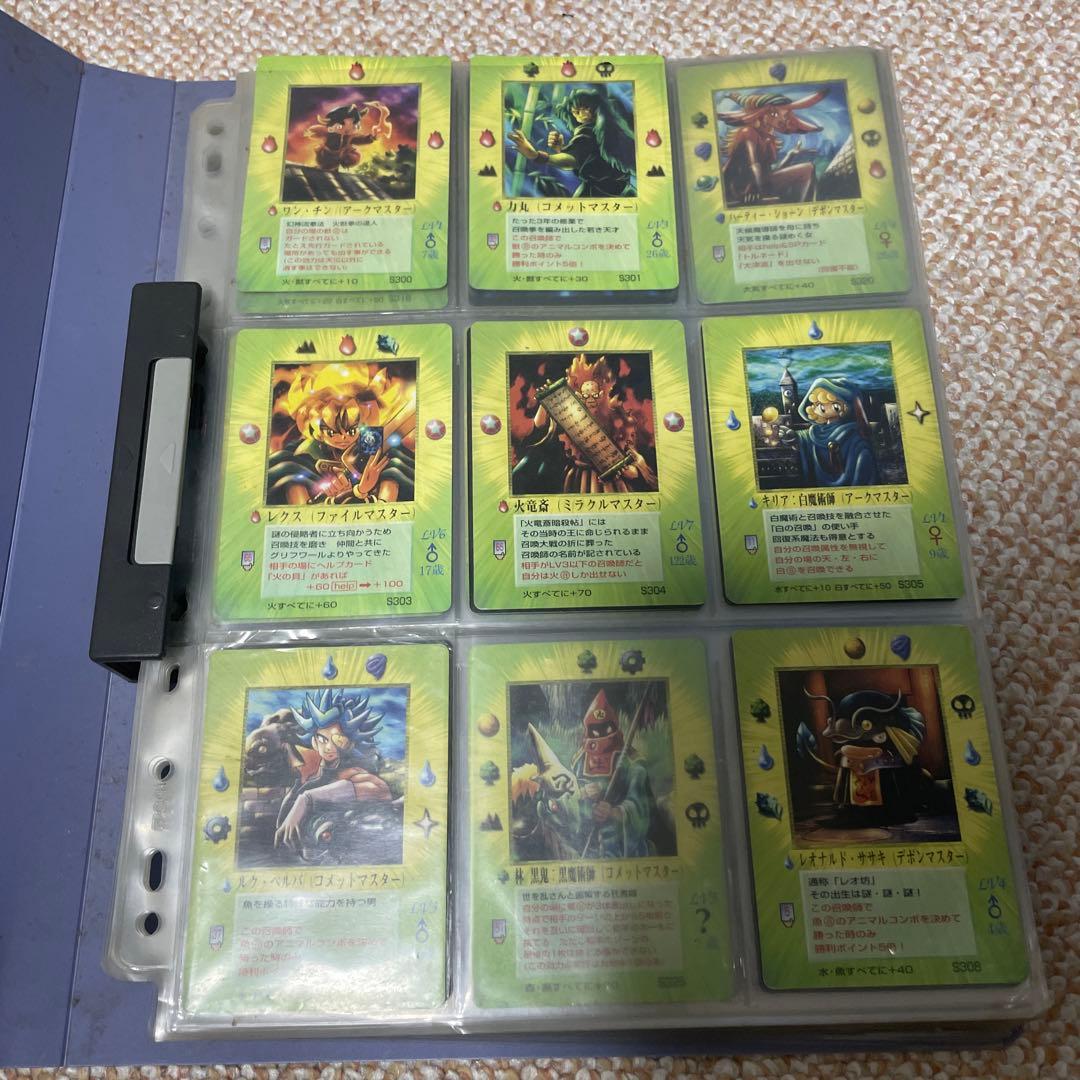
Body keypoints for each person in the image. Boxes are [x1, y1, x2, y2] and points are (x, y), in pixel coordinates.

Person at [507, 86, 637, 197]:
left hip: (599, 195)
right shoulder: (609, 130)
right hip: (623, 192)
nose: (583, 113)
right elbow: (582, 157)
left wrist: (536, 155)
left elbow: (571, 160)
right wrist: (561, 150)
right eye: (577, 110)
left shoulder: (589, 132)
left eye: (586, 108)